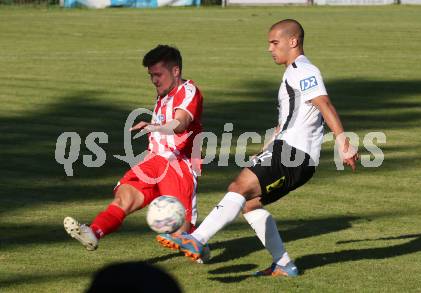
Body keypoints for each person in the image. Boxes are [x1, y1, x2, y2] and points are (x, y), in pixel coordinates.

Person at [157, 19, 359, 277]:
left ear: (293, 41)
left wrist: (343, 142)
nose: (269, 48)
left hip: (293, 153)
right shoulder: (293, 72)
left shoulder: (303, 70)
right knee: (250, 204)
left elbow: (324, 104)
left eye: (274, 42)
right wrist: (266, 148)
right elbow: (285, 122)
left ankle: (197, 238)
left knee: (238, 188)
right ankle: (284, 264)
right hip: (292, 154)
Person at [64, 45, 203, 251]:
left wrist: (154, 126)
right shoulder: (163, 95)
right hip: (153, 161)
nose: (154, 80)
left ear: (175, 71)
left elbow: (180, 123)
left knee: (181, 235)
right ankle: (93, 232)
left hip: (177, 165)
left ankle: (196, 244)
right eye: (151, 75)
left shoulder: (189, 91)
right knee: (124, 197)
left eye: (158, 74)